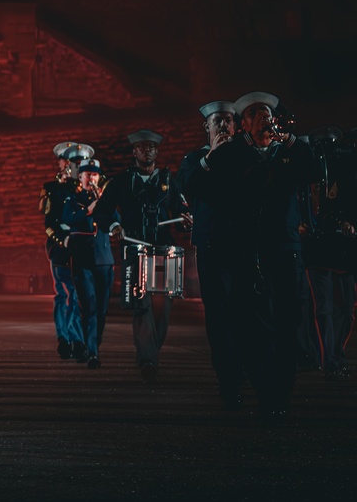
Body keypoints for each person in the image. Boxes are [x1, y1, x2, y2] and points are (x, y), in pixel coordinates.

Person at [204, 92, 320, 423]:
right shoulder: (233, 154)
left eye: (267, 112)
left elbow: (311, 170)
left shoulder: (287, 152)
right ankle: (262, 384)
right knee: (247, 328)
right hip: (246, 254)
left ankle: (277, 397)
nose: (264, 118)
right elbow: (213, 191)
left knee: (286, 327)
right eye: (255, 113)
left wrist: (290, 140)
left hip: (284, 253)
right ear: (243, 123)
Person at [93, 129, 190, 382]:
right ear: (134, 151)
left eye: (151, 147)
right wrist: (114, 227)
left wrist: (187, 220)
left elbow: (180, 214)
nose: (147, 150)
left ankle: (149, 353)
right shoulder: (120, 182)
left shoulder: (169, 180)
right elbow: (102, 212)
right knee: (142, 304)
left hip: (163, 250)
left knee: (162, 308)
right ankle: (148, 359)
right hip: (135, 249)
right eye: (142, 147)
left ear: (157, 151)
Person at [178, 100, 250, 408]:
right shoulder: (195, 159)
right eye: (216, 121)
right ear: (206, 128)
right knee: (218, 313)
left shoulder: (246, 157)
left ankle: (244, 370)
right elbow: (186, 187)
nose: (222, 126)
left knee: (244, 310)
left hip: (243, 245)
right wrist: (209, 159)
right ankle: (228, 379)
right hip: (210, 246)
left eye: (227, 121)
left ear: (236, 126)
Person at [299, 126, 356, 381]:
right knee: (323, 307)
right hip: (316, 245)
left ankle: (334, 355)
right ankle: (331, 361)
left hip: (342, 245)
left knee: (345, 307)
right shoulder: (304, 172)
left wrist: (347, 222)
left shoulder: (345, 169)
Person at [40, 142, 93, 360]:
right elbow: (49, 222)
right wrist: (62, 241)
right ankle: (67, 338)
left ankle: (76, 338)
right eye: (72, 162)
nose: (75, 167)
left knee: (80, 294)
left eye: (80, 163)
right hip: (61, 247)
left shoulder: (88, 189)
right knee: (65, 293)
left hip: (83, 246)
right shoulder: (53, 188)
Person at [60, 158, 114, 369]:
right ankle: (92, 352)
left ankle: (92, 346)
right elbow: (68, 219)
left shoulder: (106, 198)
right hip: (82, 258)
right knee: (88, 306)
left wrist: (103, 204)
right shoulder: (72, 197)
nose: (91, 177)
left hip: (103, 259)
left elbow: (115, 220)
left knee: (101, 310)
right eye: (87, 174)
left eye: (94, 174)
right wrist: (88, 210)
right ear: (80, 176)